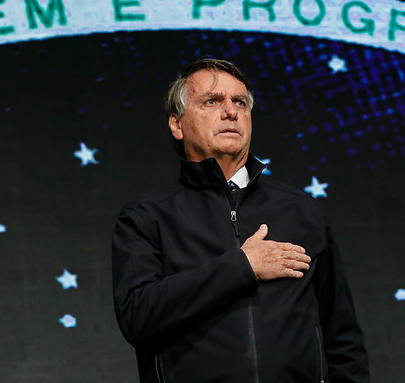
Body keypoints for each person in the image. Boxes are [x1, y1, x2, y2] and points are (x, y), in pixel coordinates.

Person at [112, 58, 369, 382]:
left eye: (240, 102)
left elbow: (342, 337)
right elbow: (138, 317)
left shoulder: (302, 210)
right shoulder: (147, 217)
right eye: (212, 101)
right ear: (177, 125)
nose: (231, 112)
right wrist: (242, 266)